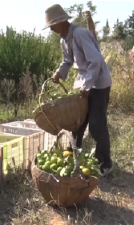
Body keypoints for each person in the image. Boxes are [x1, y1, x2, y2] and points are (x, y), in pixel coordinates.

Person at [43, 4, 113, 176]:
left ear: (62, 21)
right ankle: (75, 156)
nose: (51, 29)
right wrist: (59, 72)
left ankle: (105, 163)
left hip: (98, 84)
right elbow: (68, 61)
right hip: (85, 85)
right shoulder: (64, 39)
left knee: (96, 124)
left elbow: (95, 61)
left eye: (52, 25)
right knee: (77, 122)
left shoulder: (80, 34)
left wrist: (86, 86)